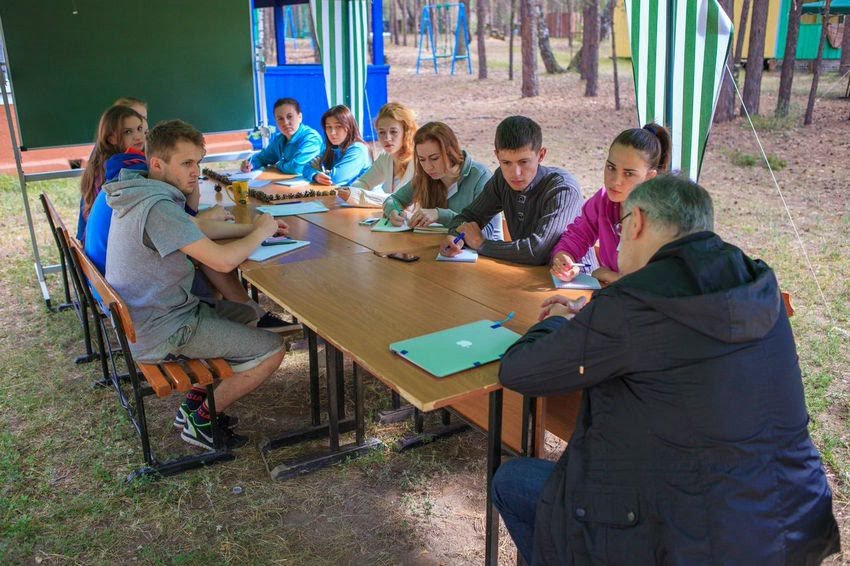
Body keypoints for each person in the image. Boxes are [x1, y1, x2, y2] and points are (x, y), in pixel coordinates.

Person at [492, 175, 841, 565]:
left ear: (636, 221)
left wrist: (557, 319)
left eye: (620, 227)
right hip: (790, 519)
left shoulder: (633, 302)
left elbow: (518, 371)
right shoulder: (757, 282)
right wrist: (597, 319)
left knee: (512, 481)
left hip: (689, 542)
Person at [104, 120, 288, 450]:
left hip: (155, 317)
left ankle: (193, 402)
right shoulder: (159, 208)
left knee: (248, 314)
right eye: (187, 163)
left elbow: (195, 233)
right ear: (157, 164)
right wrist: (260, 231)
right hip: (166, 329)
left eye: (199, 163)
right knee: (272, 351)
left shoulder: (142, 192)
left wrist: (256, 230)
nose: (196, 172)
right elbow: (221, 262)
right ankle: (202, 420)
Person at [440, 116, 593, 267]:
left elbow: (538, 251)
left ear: (541, 155)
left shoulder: (563, 189)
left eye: (523, 162)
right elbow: (469, 216)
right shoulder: (501, 178)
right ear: (497, 156)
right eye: (506, 162)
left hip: (577, 282)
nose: (515, 173)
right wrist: (455, 236)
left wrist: (483, 245)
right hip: (528, 274)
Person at [550, 123, 670, 285]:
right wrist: (564, 259)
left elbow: (661, 283)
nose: (615, 181)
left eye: (628, 173)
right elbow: (578, 236)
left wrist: (610, 276)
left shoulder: (663, 216)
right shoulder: (603, 200)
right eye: (611, 167)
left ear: (649, 177)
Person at [381, 121, 502, 238]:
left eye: (434, 158)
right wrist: (393, 211)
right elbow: (393, 199)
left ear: (451, 152)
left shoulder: (480, 177)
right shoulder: (425, 176)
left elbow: (486, 233)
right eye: (422, 159)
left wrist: (440, 215)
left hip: (481, 255)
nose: (428, 167)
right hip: (441, 248)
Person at [76, 104, 146, 241]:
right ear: (111, 138)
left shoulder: (100, 160)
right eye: (128, 132)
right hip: (108, 250)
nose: (138, 136)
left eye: (139, 129)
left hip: (91, 244)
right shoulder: (127, 167)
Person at [341, 102, 417, 207]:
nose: (387, 138)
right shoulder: (385, 158)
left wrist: (358, 196)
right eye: (381, 132)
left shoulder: (419, 161)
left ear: (406, 132)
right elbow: (363, 182)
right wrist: (353, 192)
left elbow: (403, 202)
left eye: (394, 132)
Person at [241, 97, 322, 175]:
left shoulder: (311, 138)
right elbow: (262, 157)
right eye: (280, 119)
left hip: (316, 186)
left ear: (300, 117)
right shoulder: (280, 139)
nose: (285, 123)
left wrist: (279, 164)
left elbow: (296, 167)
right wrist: (251, 164)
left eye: (289, 117)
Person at [302, 105, 371, 187]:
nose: (332, 132)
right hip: (340, 196)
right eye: (328, 127)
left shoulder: (358, 150)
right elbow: (306, 168)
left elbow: (334, 179)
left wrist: (320, 169)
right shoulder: (333, 148)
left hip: (361, 198)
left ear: (349, 127)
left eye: (338, 126)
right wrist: (315, 175)